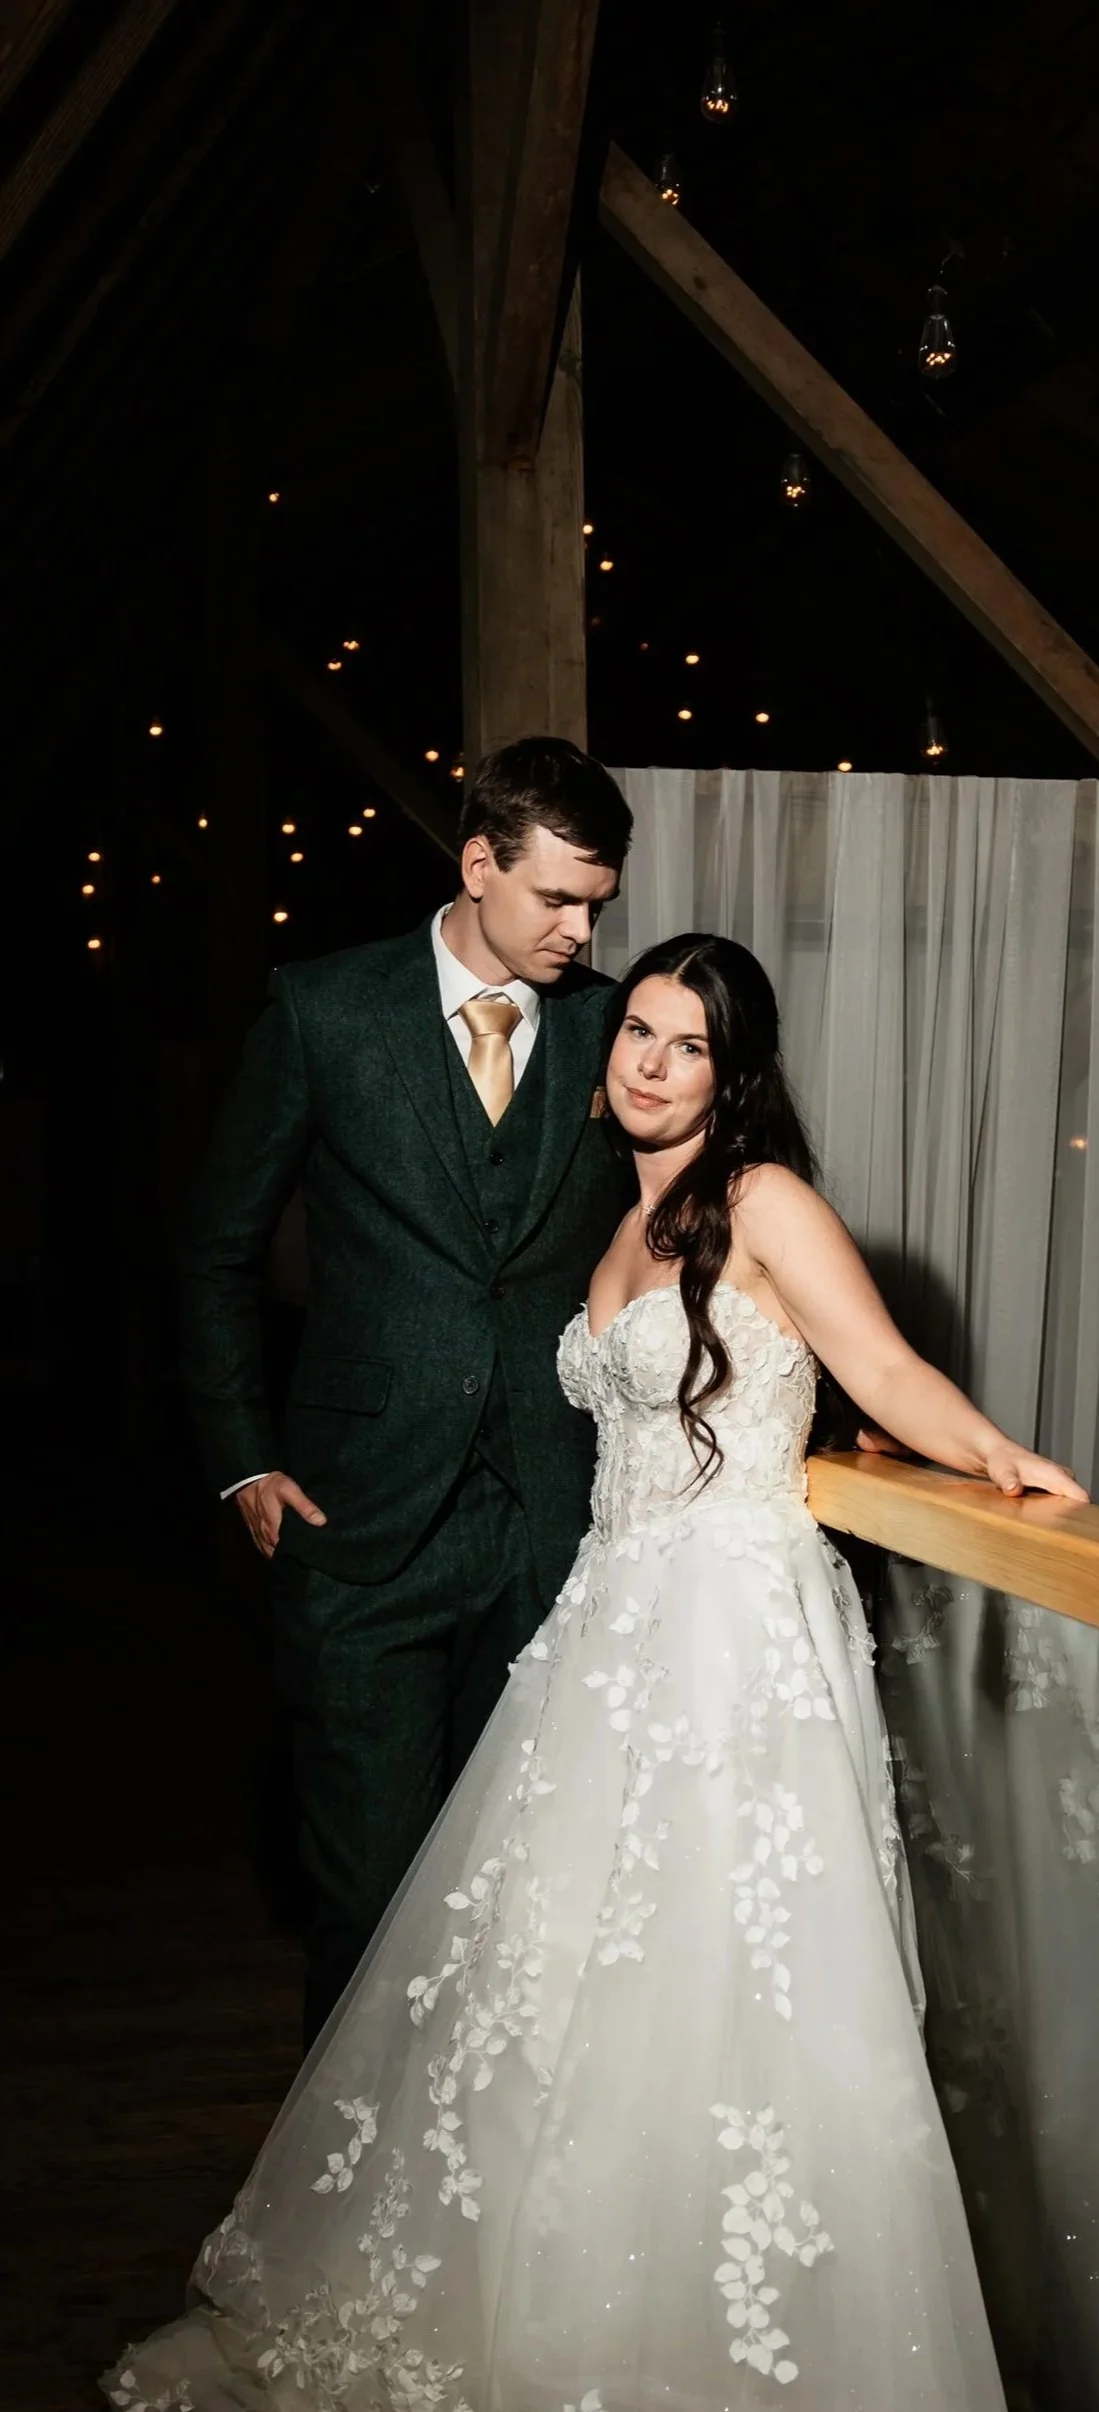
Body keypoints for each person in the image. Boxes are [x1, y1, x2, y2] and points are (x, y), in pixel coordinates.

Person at [107, 933, 1083, 2412]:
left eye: (684, 1040)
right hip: (604, 1639)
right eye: (631, 1027)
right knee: (553, 1996)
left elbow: (875, 1366)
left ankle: (706, 2390)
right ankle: (556, 2338)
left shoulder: (764, 1197)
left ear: (736, 1068)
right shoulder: (606, 1210)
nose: (645, 1057)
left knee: (724, 2009)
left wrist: (1004, 1461)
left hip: (728, 1652)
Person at [178, 736, 633, 2048]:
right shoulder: (323, 1010)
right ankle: (345, 2217)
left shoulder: (611, 1030)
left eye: (596, 900)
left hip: (550, 1522)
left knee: (522, 1897)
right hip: (359, 1524)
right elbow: (214, 1249)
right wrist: (242, 1455)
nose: (580, 925)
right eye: (555, 896)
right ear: (476, 861)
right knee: (371, 1904)